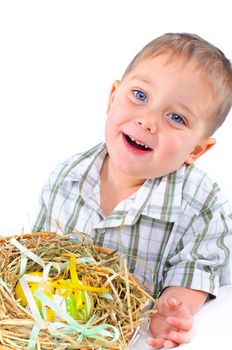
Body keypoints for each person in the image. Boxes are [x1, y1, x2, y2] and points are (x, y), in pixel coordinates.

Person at [32, 33, 232, 348]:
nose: (148, 121)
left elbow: (199, 268)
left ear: (196, 150)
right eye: (140, 95)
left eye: (176, 117)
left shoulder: (200, 202)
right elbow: (38, 253)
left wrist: (173, 305)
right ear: (113, 97)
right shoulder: (66, 178)